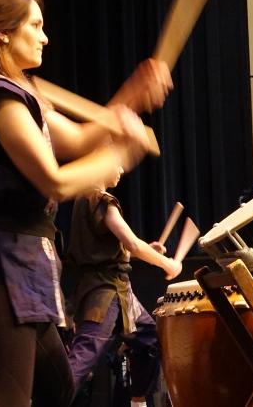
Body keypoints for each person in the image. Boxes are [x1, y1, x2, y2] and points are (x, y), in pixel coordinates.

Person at [0, 0, 172, 406]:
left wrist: (132, 97)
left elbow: (81, 138)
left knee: (57, 389)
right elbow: (55, 181)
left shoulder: (20, 93)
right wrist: (123, 151)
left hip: (24, 264)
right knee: (7, 400)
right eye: (36, 26)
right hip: (0, 264)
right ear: (3, 32)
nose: (45, 36)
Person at [65, 174, 182, 406]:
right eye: (116, 161)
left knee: (149, 339)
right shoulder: (102, 200)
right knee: (84, 355)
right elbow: (131, 243)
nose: (120, 169)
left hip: (115, 290)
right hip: (106, 291)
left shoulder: (83, 199)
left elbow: (112, 247)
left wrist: (148, 250)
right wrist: (168, 264)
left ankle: (137, 400)